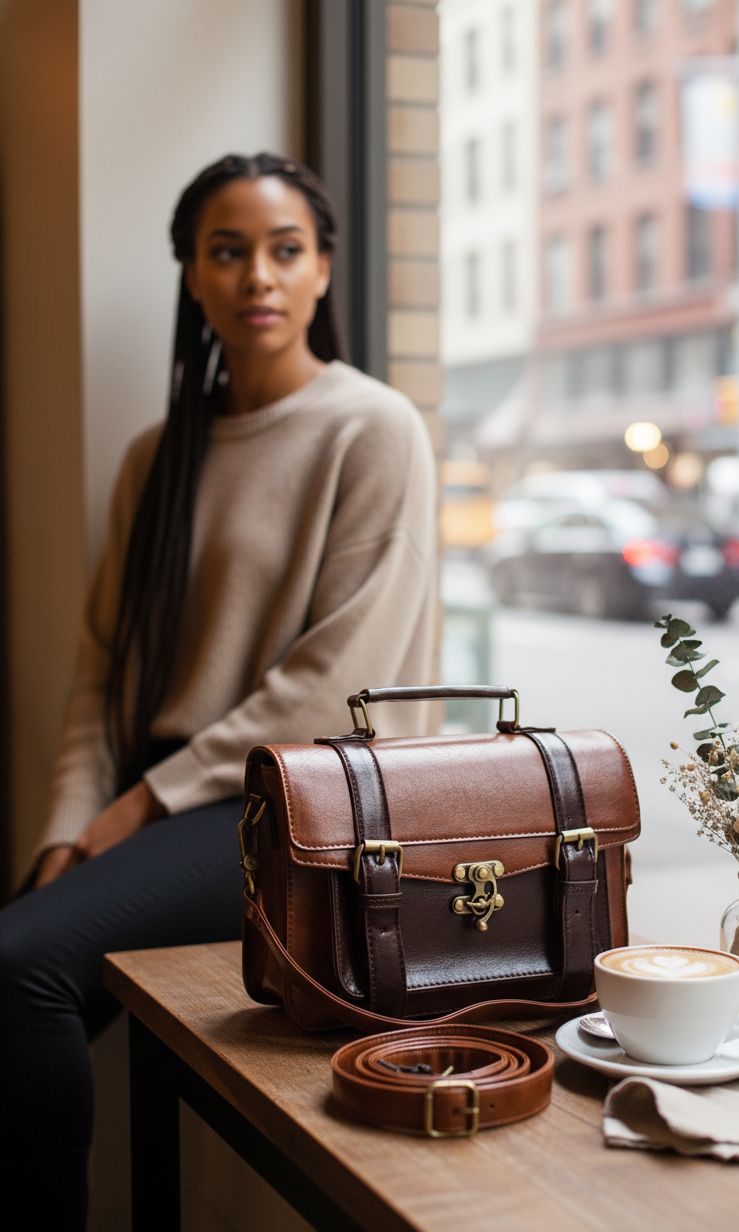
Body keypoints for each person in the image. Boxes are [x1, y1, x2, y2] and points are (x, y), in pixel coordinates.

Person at [0, 152, 436, 1227]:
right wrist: (68, 828)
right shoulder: (159, 453)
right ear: (192, 276)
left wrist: (135, 811)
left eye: (286, 251)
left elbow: (339, 687)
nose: (258, 278)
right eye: (227, 252)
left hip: (293, 806)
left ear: (324, 270)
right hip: (164, 801)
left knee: (18, 969)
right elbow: (104, 672)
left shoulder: (371, 428)